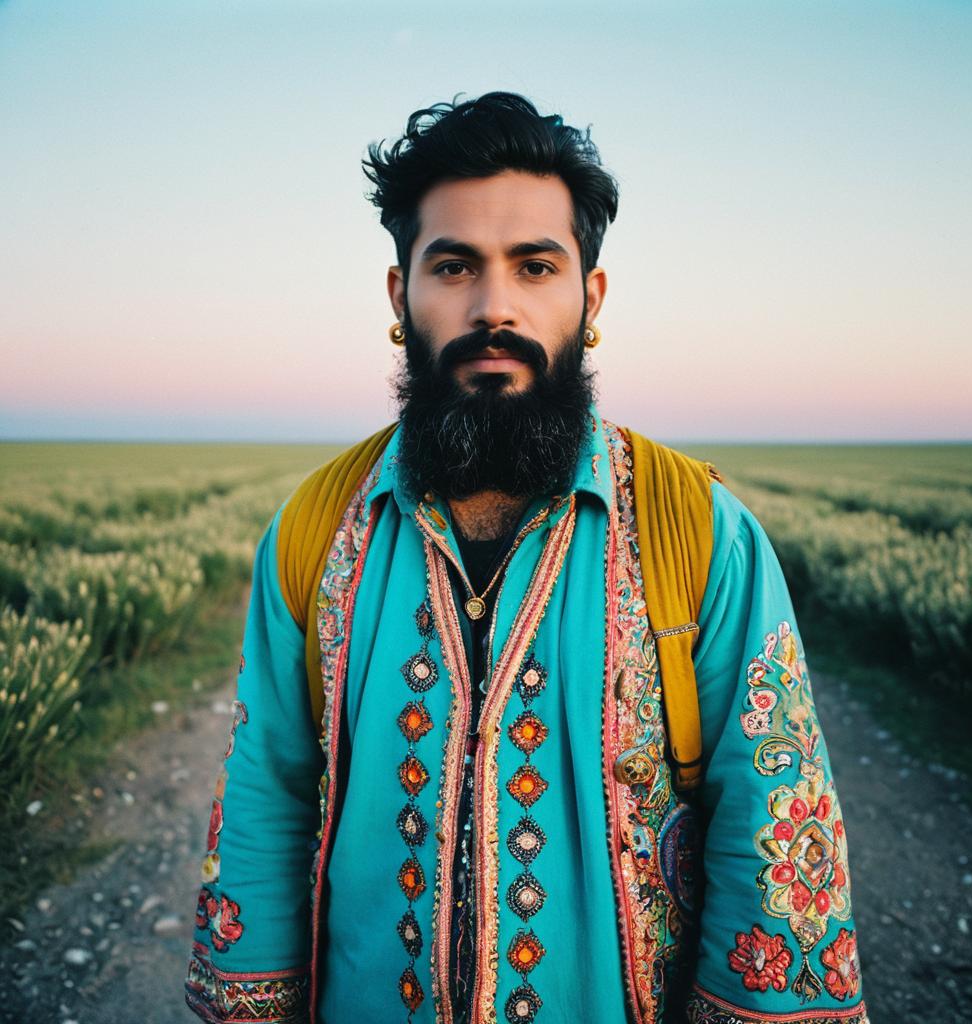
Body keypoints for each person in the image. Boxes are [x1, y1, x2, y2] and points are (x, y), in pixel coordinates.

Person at [184, 92, 868, 1024]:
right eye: (454, 266)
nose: (494, 307)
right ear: (400, 295)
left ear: (590, 297)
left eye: (535, 267)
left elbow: (772, 836)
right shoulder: (315, 530)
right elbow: (266, 800)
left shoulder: (700, 533)